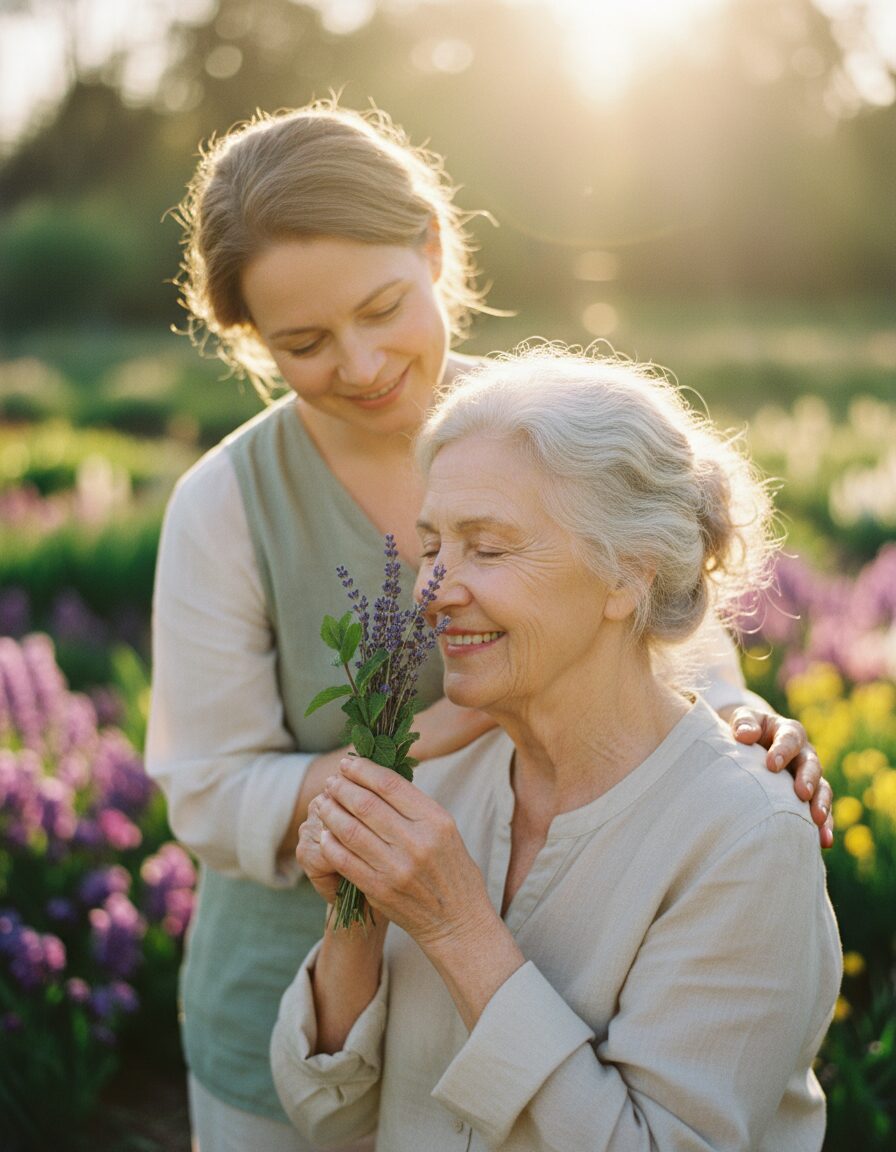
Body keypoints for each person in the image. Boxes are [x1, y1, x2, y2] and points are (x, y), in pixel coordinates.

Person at [146, 102, 833, 1152]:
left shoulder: (539, 424)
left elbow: (655, 618)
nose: (362, 362)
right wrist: (405, 777)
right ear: (250, 342)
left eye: (381, 307)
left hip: (550, 958)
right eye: (304, 342)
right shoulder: (223, 502)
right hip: (310, 1000)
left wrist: (744, 733)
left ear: (432, 248)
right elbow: (204, 785)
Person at [271, 349, 841, 1151]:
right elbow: (328, 1115)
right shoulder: (437, 774)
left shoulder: (746, 839)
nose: (435, 591)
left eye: (489, 548)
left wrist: (457, 929)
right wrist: (356, 920)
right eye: (433, 547)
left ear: (627, 577)